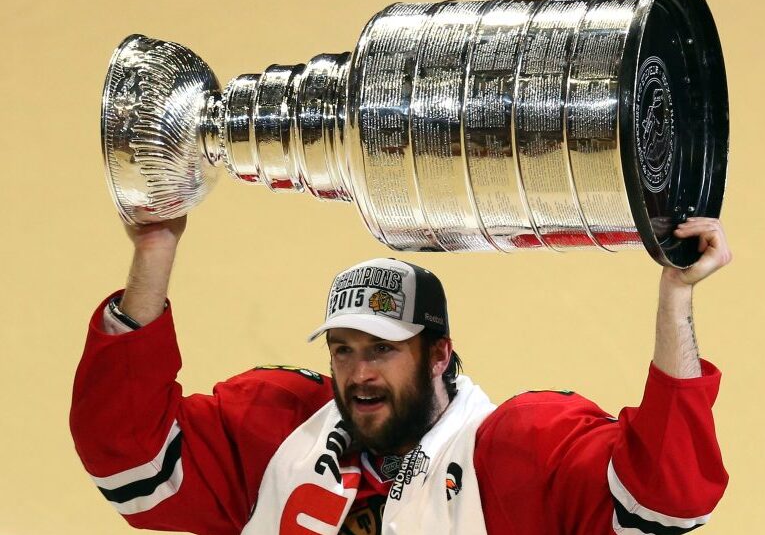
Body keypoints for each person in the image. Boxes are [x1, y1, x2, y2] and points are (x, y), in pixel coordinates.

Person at [70, 216, 731, 535]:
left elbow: (665, 499)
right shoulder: (279, 431)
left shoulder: (513, 453)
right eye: (343, 349)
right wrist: (155, 249)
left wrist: (675, 297)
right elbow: (129, 460)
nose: (359, 372)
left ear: (439, 354)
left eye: (383, 349)